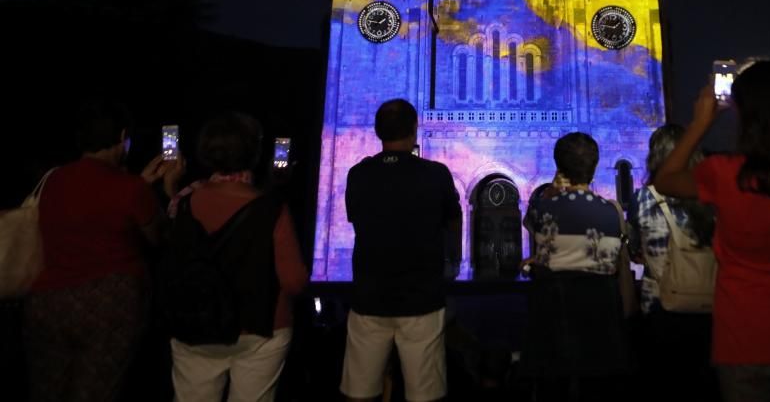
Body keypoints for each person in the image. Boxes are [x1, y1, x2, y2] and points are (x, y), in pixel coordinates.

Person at [654, 59, 770, 401]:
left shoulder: (724, 173)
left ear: (742, 113)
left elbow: (665, 179)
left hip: (743, 339)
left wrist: (699, 124)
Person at [23, 98, 183, 402]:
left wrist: (137, 184)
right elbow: (160, 237)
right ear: (123, 137)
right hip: (109, 305)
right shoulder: (130, 189)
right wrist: (167, 190)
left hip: (47, 303)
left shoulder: (54, 178)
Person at [168, 112, 308, 402]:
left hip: (196, 326)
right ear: (254, 153)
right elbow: (294, 281)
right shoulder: (271, 208)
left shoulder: (182, 204)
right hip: (259, 329)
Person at [340, 99, 462, 402]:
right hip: (422, 299)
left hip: (369, 297)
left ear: (378, 132)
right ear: (414, 130)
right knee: (425, 392)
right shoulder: (435, 174)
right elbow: (453, 219)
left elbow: (355, 219)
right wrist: (453, 261)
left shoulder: (359, 174)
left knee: (360, 391)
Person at [521, 132, 632, 402]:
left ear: (559, 166)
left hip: (554, 322)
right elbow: (622, 266)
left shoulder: (543, 208)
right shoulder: (611, 211)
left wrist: (554, 189)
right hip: (601, 323)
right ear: (594, 166)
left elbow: (530, 227)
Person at [627, 124, 719, 401]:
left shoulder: (643, 199)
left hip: (660, 307)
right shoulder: (711, 197)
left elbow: (634, 250)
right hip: (711, 304)